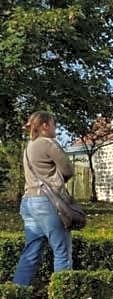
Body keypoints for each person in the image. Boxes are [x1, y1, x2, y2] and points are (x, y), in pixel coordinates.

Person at [12, 111, 75, 286]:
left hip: (28, 202)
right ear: (45, 125)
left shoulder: (28, 148)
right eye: (54, 124)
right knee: (62, 250)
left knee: (31, 252)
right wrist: (58, 179)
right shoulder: (48, 143)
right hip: (46, 202)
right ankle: (64, 297)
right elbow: (68, 170)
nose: (56, 128)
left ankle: (15, 296)